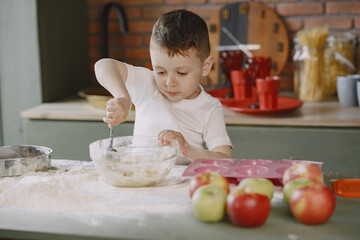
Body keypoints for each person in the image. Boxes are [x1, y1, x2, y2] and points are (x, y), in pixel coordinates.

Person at [95, 9, 232, 164]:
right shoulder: (148, 84)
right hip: (139, 182)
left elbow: (224, 159)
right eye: (160, 71)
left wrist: (188, 150)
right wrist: (122, 97)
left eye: (181, 73)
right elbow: (103, 66)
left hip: (182, 185)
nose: (169, 83)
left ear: (205, 67)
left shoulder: (210, 108)